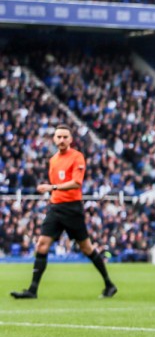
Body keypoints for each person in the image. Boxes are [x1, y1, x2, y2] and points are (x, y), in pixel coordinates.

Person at [10, 125, 117, 299]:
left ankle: (109, 284)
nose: (61, 140)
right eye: (58, 137)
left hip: (72, 208)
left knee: (86, 247)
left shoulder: (77, 157)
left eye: (65, 137)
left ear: (70, 139)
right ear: (54, 139)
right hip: (55, 207)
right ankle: (32, 290)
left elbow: (76, 182)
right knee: (41, 244)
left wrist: (52, 187)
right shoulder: (53, 160)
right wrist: (53, 193)